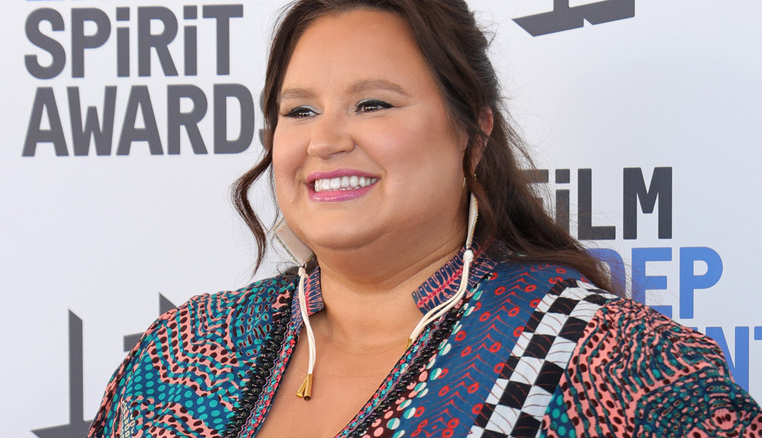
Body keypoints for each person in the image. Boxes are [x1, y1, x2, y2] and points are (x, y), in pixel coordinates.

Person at [88, 0, 762, 437]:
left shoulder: (603, 354)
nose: (324, 140)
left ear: (472, 134)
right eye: (299, 111)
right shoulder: (183, 346)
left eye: (373, 104)